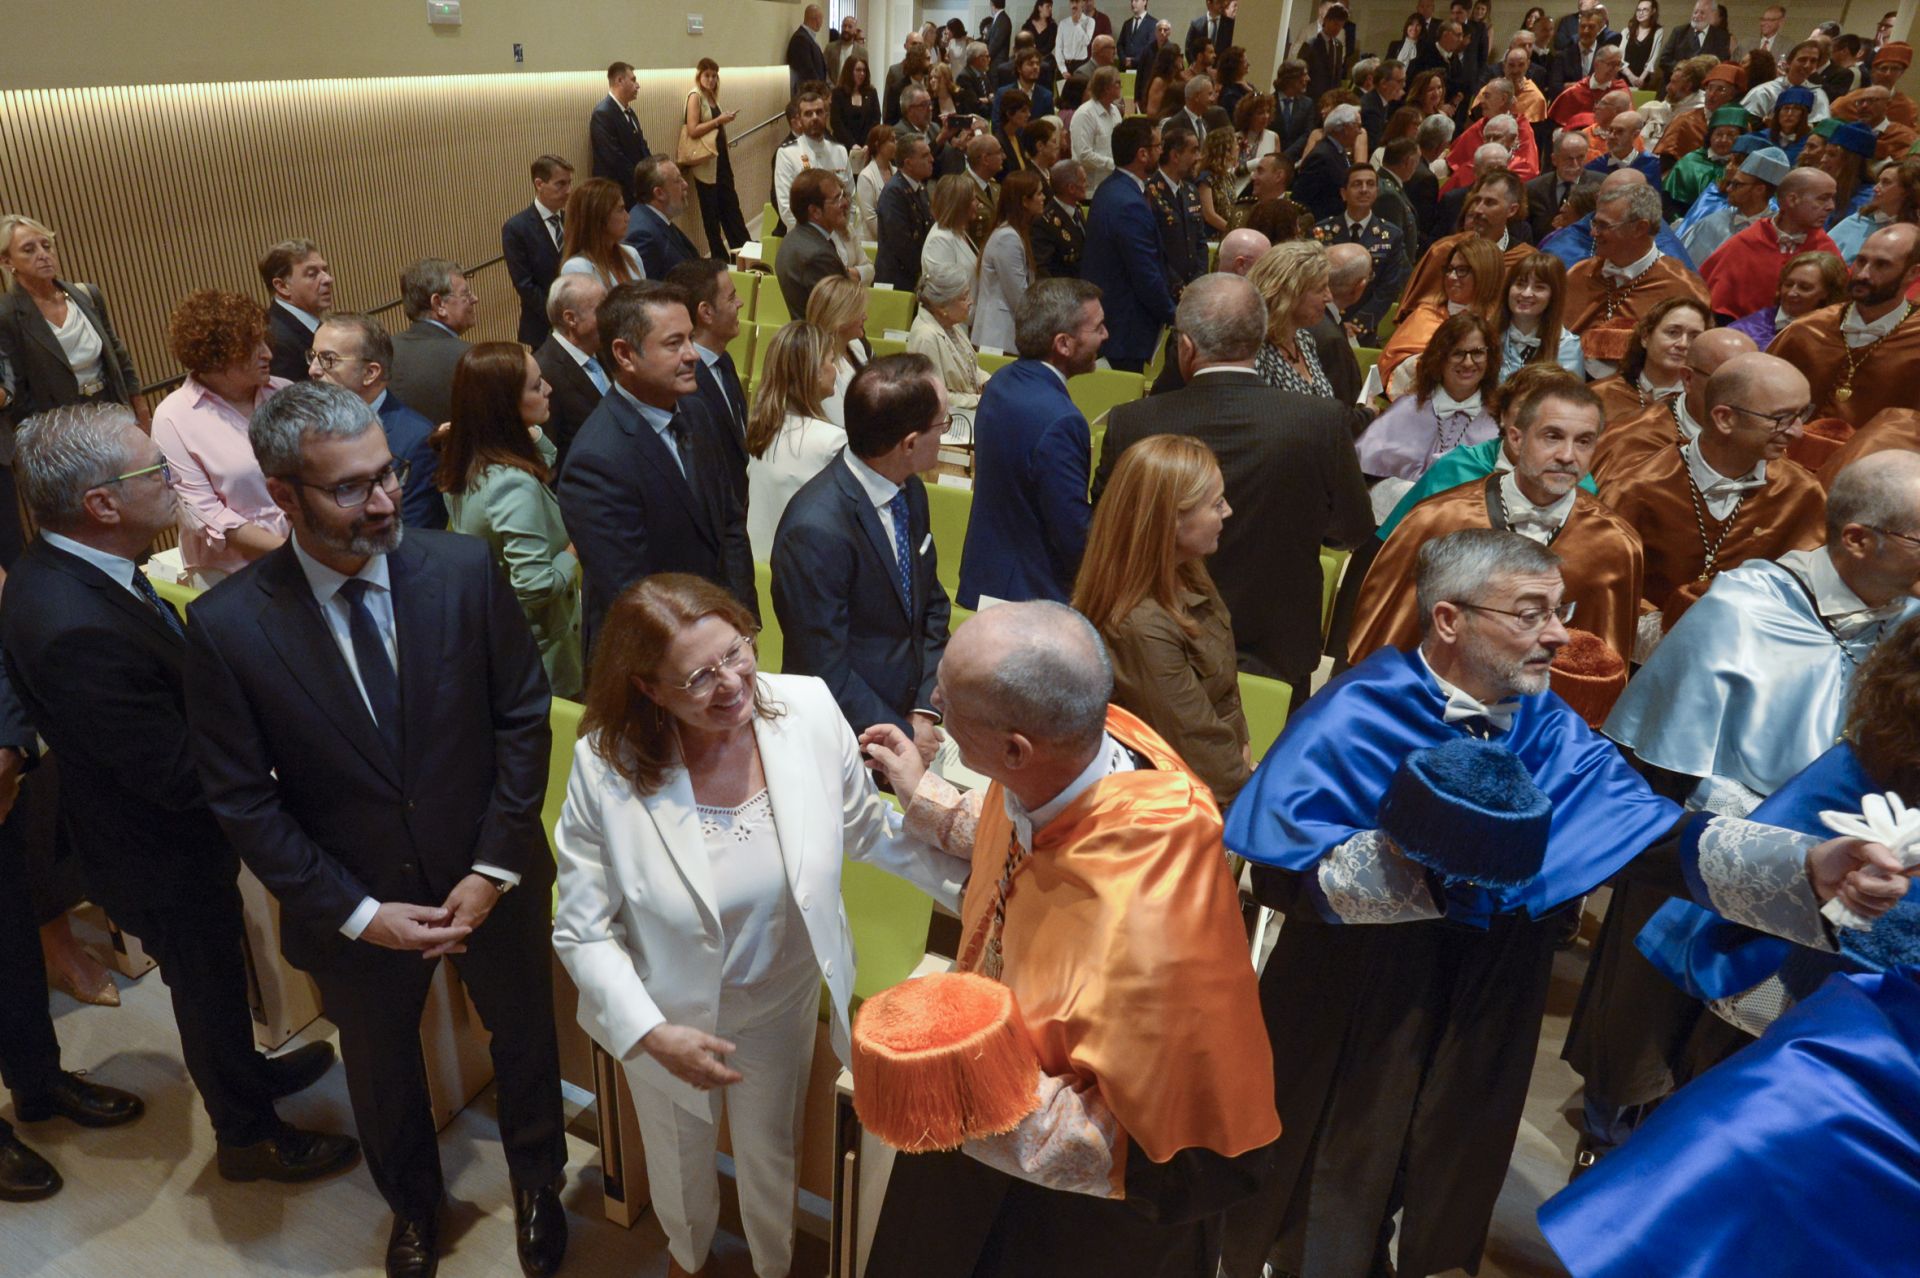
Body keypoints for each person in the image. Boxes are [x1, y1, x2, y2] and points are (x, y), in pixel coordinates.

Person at [1218, 525, 1909, 1278]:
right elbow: (1284, 875)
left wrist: (1809, 863)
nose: (1559, 634)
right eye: (1530, 614)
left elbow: (1655, 838)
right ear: (1450, 620)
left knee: (1448, 1163)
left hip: (1495, 985)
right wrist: (1441, 860)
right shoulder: (1358, 712)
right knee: (1334, 1176)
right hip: (1361, 989)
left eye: (1560, 609)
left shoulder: (1551, 729)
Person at [184, 381, 569, 1278]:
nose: (388, 499)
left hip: (493, 872)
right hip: (351, 900)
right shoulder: (228, 628)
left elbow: (522, 716)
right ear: (282, 494)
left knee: (524, 1036)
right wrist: (359, 913)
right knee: (383, 1065)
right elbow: (244, 802)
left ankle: (539, 1184)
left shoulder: (464, 570)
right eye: (351, 488)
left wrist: (493, 865)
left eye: (387, 473)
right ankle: (414, 1208)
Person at [554, 571, 965, 1278]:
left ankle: (772, 1268)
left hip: (781, 997)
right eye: (699, 677)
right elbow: (582, 929)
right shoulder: (607, 763)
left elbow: (865, 832)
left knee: (771, 1154)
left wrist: (982, 891)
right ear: (649, 689)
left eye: (737, 652)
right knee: (678, 1164)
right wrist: (651, 1032)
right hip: (665, 1011)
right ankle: (688, 1260)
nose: (732, 684)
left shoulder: (803, 707)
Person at [858, 598, 1278, 1278]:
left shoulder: (1149, 906)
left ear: (1014, 748)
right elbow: (1020, 834)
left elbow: (1136, 1135)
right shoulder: (1084, 740)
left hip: (1076, 1216)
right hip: (982, 1111)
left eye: (949, 705)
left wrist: (946, 1084)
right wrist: (923, 793)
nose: (935, 705)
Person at [1, 402, 355, 1187]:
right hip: (155, 848)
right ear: (101, 504)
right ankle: (247, 1135)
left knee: (218, 975)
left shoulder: (60, 568)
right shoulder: (71, 625)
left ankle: (247, 1077)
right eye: (153, 471)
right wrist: (280, 760)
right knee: (204, 979)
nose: (171, 481)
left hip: (153, 836)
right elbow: (171, 770)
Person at [1563, 450, 1920, 1168]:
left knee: (1743, 1091)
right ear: (1859, 539)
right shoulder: (1744, 604)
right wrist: (1768, 820)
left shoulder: (1910, 629)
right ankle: (1610, 1152)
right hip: (1710, 864)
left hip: (1843, 894)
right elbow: (1653, 767)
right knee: (1647, 1051)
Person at [1096, 273, 1369, 701]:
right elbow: (1352, 529)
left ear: (1184, 346)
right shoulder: (1320, 421)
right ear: (1261, 340)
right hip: (1274, 646)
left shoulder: (1134, 421)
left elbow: (1106, 530)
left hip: (1156, 642)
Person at [1348, 379, 1644, 665]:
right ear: (1515, 438)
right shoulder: (1439, 518)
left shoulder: (1615, 546)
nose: (1568, 456)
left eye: (1583, 441)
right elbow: (1383, 642)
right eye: (1552, 436)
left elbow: (1602, 676)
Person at [557, 281, 754, 650]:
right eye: (673, 343)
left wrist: (742, 624)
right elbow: (634, 594)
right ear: (625, 354)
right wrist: (707, 648)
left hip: (718, 638)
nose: (693, 354)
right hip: (652, 659)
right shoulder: (596, 461)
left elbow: (730, 526)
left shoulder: (696, 412)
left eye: (691, 339)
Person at [771, 354, 954, 749]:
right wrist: (904, 736)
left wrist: (925, 708)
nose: (945, 434)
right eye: (943, 425)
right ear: (909, 444)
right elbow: (823, 671)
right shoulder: (815, 529)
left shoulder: (909, 490)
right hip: (849, 739)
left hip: (918, 716)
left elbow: (932, 605)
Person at [1597, 351, 1828, 644]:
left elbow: (1805, 595)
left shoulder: (1802, 493)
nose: (1797, 432)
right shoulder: (1639, 488)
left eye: (1802, 414)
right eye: (1781, 418)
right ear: (1725, 418)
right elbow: (1605, 589)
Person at [1077, 433, 1251, 801]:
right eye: (1216, 503)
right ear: (1171, 521)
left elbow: (1224, 690)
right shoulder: (1137, 624)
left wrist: (1242, 746)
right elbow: (1193, 740)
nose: (1228, 511)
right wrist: (1248, 788)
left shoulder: (1187, 570)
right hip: (1174, 807)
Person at [439, 344, 582, 699]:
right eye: (536, 386)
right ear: (504, 405)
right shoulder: (511, 485)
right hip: (543, 654)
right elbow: (535, 586)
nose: (548, 389)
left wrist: (530, 430)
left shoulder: (465, 454)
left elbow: (542, 466)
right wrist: (573, 552)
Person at [0, 213, 142, 563]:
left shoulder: (85, 295)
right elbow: (16, 389)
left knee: (132, 506)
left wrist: (139, 409)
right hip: (61, 435)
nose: (43, 254)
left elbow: (117, 354)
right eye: (29, 250)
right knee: (87, 519)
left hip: (112, 417)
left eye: (46, 245)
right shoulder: (6, 314)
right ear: (7, 262)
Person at [959, 279, 1104, 608]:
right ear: (1063, 344)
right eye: (1098, 327)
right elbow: (1072, 535)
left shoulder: (1000, 383)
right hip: (1032, 600)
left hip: (985, 579)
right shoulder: (1062, 421)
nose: (1105, 336)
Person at [150, 291, 289, 587]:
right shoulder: (174, 417)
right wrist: (290, 553)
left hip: (305, 554)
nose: (268, 354)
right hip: (230, 576)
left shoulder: (285, 393)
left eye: (265, 341)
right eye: (253, 347)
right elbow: (206, 515)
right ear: (215, 355)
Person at [1768, 223, 1920, 428]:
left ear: (1912, 273)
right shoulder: (1806, 331)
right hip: (1789, 455)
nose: (1863, 274)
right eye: (1861, 261)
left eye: (1881, 265)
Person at [304, 313, 445, 532]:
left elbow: (414, 534)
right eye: (313, 356)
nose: (313, 369)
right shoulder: (311, 427)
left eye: (328, 359)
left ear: (370, 373)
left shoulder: (416, 441)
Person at [1358, 311, 1502, 519]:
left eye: (1477, 352)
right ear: (1440, 357)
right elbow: (1366, 473)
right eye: (1458, 353)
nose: (1469, 362)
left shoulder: (1501, 418)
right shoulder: (1407, 408)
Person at [1563, 180, 1709, 377]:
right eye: (1594, 222)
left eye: (1603, 225)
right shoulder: (1578, 274)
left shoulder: (1682, 287)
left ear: (1640, 228)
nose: (1593, 232)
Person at [1587, 325, 1755, 488]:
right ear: (1688, 379)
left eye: (1752, 383)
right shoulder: (1628, 439)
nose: (1744, 395)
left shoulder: (1764, 436)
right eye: (1728, 382)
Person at [1083, 117, 1178, 371]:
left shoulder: (1110, 188)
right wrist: (1175, 315)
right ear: (1142, 154)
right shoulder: (1129, 203)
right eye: (1158, 146)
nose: (1162, 151)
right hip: (1126, 328)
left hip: (1114, 321)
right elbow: (1144, 273)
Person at [744, 322, 844, 561]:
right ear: (814, 371)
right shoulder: (832, 442)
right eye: (831, 361)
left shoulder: (762, 429)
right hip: (806, 573)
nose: (836, 371)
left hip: (758, 572)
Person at [1699, 167, 1841, 322]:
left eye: (1832, 198)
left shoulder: (1827, 249)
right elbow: (1714, 305)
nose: (1831, 206)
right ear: (1792, 200)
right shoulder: (1745, 243)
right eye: (1823, 198)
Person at [667, 258, 751, 508]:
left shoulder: (724, 360)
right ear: (706, 312)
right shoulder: (683, 383)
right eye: (732, 297)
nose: (740, 303)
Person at [1380, 232, 1505, 394]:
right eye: (1450, 269)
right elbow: (1392, 368)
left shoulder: (1501, 319)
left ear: (1485, 275)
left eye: (1462, 270)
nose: (1452, 277)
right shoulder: (1425, 315)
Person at [1313, 165, 1410, 345]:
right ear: (1344, 193)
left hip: (1363, 330)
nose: (1364, 189)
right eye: (1357, 184)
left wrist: (1357, 324)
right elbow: (1312, 281)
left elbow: (1388, 289)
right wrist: (1334, 322)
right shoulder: (1322, 231)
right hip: (1322, 322)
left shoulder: (1391, 235)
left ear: (1377, 191)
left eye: (1370, 184)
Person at [1245, 239, 1346, 402]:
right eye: (1321, 289)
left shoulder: (1304, 340)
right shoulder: (1253, 353)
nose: (1329, 297)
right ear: (1289, 295)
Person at [533, 274, 611, 472]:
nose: (611, 316)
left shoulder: (606, 351)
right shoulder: (543, 373)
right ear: (571, 319)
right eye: (602, 309)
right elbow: (551, 458)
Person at [387, 256, 477, 427]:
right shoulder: (469, 358)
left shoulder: (385, 350)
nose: (475, 299)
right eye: (465, 294)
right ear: (438, 304)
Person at [1588, 295, 1708, 422]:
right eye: (1673, 332)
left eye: (1694, 337)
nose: (1683, 344)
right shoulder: (1599, 395)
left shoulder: (1705, 403)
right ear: (1645, 337)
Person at [501, 154, 573, 348]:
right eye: (560, 184)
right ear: (539, 184)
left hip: (577, 321)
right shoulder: (517, 228)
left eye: (569, 183)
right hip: (543, 325)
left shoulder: (573, 221)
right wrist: (557, 317)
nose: (568, 191)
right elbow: (524, 284)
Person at [1678, 142, 1791, 263]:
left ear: (1759, 190)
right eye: (1730, 183)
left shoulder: (1779, 234)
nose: (1729, 189)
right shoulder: (1711, 224)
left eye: (1737, 185)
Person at [682, 60, 749, 260]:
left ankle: (742, 249)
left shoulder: (712, 97)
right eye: (707, 75)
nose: (711, 80)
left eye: (714, 76)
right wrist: (719, 121)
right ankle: (720, 258)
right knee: (711, 214)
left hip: (720, 160)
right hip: (705, 164)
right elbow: (693, 130)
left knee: (730, 205)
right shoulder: (695, 97)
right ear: (699, 76)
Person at [909, 260, 990, 415]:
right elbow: (934, 396)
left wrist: (989, 382)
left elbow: (969, 367)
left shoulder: (950, 323)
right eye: (964, 297)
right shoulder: (926, 337)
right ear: (942, 307)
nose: (971, 302)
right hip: (949, 422)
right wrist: (981, 400)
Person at [1726, 248, 1846, 351]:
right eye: (1788, 284)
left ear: (1827, 293)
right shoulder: (1745, 330)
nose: (1792, 293)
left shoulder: (1837, 336)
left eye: (1805, 288)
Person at [773, 169, 854, 321]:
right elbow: (841, 317)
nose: (845, 202)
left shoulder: (790, 240)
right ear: (815, 211)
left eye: (842, 195)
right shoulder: (818, 256)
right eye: (837, 199)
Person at [773, 86, 852, 236]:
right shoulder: (787, 154)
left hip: (841, 236)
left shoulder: (840, 151)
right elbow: (786, 207)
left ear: (826, 115)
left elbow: (850, 197)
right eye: (808, 114)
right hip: (806, 239)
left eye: (819, 112)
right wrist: (820, 236)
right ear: (799, 120)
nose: (815, 117)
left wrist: (844, 229)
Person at [258, 239, 333, 383]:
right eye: (312, 274)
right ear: (282, 286)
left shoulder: (318, 325)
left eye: (325, 270)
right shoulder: (277, 341)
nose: (328, 279)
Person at [560, 175, 645, 290]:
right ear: (598, 217)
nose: (628, 217)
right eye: (620, 210)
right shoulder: (577, 268)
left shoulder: (631, 254)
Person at [623, 156, 700, 282]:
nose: (685, 184)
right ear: (659, 193)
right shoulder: (642, 235)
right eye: (678, 180)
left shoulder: (656, 218)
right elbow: (649, 293)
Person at [1829, 156, 1918, 259]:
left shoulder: (1915, 232)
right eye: (1878, 181)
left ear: (1907, 191)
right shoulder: (1857, 221)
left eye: (1886, 182)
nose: (1875, 188)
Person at [591, 62, 650, 207]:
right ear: (619, 80)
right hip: (616, 192)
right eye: (633, 80)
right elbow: (614, 158)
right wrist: (640, 182)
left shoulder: (629, 112)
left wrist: (653, 172)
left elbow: (641, 146)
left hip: (635, 190)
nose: (638, 86)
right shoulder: (603, 114)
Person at [1743, 39, 1833, 123]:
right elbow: (1746, 121)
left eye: (1813, 61)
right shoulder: (1765, 91)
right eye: (1802, 59)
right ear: (1789, 62)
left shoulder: (1818, 95)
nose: (1807, 65)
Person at [1034, 160, 1089, 279]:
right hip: (1064, 292)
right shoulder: (1045, 222)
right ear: (1071, 188)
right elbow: (1043, 270)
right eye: (1083, 181)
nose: (1087, 185)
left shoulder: (1076, 210)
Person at [1657, 0, 1731, 73]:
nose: (1697, 16)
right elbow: (1664, 59)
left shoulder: (1721, 37)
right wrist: (1683, 69)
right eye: (1695, 12)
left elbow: (1722, 63)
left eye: (1702, 13)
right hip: (1677, 80)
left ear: (1711, 15)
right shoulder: (1679, 32)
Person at [833, 55, 882, 151]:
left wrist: (867, 144)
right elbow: (836, 122)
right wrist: (852, 144)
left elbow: (875, 119)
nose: (862, 73)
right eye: (858, 70)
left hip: (866, 147)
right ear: (849, 71)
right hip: (843, 146)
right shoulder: (838, 93)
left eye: (864, 70)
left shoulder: (871, 92)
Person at [1620, 0, 1667, 84]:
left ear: (1653, 11)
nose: (1640, 13)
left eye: (1645, 10)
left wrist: (1641, 79)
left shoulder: (1658, 31)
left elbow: (1653, 59)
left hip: (1643, 79)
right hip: (1624, 76)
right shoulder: (1626, 31)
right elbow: (1619, 57)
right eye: (1638, 10)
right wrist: (1631, 76)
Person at [787, 3, 830, 93]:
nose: (821, 22)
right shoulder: (801, 39)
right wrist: (821, 91)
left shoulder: (807, 37)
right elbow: (807, 71)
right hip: (809, 93)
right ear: (817, 19)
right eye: (821, 19)